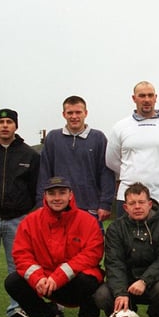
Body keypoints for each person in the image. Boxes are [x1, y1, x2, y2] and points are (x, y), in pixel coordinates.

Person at [4, 176, 104, 317]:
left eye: (62, 193)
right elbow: (21, 254)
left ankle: (88, 316)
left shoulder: (87, 221)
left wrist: (60, 275)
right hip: (45, 282)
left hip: (75, 281)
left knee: (91, 278)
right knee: (13, 281)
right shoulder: (30, 221)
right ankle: (43, 316)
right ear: (45, 196)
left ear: (70, 195)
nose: (57, 198)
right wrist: (37, 277)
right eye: (52, 194)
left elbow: (93, 253)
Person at [93, 183, 159, 317]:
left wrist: (144, 280)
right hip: (126, 281)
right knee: (102, 295)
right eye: (132, 203)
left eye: (141, 202)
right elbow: (113, 263)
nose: (137, 207)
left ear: (150, 204)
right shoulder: (115, 228)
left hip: (154, 282)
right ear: (125, 207)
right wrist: (121, 292)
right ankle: (125, 315)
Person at [106, 81, 159, 227]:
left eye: (150, 95)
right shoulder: (120, 127)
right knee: (127, 246)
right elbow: (111, 160)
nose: (146, 99)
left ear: (155, 98)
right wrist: (131, 174)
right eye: (142, 95)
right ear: (134, 98)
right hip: (129, 198)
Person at [37, 95, 115, 226]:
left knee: (90, 246)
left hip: (91, 208)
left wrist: (105, 204)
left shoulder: (98, 138)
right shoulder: (53, 138)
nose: (74, 116)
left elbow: (106, 173)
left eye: (78, 112)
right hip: (59, 208)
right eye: (70, 113)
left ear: (86, 113)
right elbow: (44, 172)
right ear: (64, 114)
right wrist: (41, 202)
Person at [0, 108, 39, 317]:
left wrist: (28, 214)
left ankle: (16, 309)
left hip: (17, 220)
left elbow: (35, 187)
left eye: (9, 122)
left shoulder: (29, 155)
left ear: (15, 126)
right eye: (0, 122)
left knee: (18, 268)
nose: (4, 126)